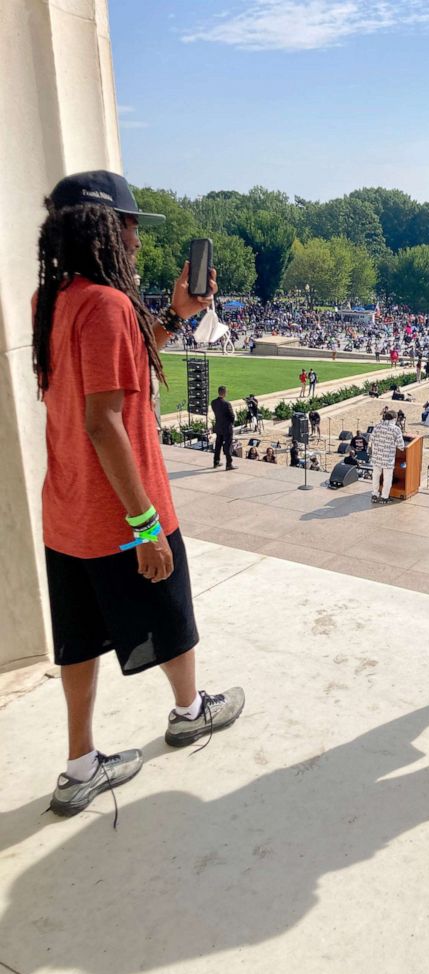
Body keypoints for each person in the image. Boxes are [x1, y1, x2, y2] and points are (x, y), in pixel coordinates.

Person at [32, 170, 244, 818]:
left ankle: (79, 766)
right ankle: (188, 712)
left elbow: (119, 370)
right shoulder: (107, 304)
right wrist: (147, 525)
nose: (137, 243)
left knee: (78, 642)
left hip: (65, 511)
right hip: (124, 512)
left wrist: (176, 319)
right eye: (129, 227)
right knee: (172, 615)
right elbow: (105, 421)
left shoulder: (54, 300)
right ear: (104, 228)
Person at [369, 410, 405, 504]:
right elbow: (401, 446)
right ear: (394, 418)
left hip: (376, 457)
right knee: (387, 479)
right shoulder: (396, 429)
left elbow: (371, 439)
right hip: (387, 459)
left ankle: (374, 495)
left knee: (375, 477)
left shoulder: (377, 426)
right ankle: (385, 497)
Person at [211, 385, 236, 471]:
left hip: (218, 426)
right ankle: (229, 464)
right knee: (227, 446)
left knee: (218, 445)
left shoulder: (213, 402)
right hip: (226, 428)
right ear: (224, 393)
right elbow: (232, 416)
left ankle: (216, 461)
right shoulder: (226, 404)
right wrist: (231, 423)